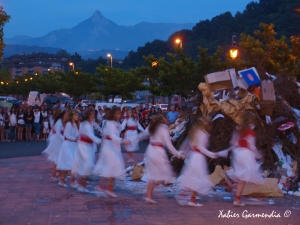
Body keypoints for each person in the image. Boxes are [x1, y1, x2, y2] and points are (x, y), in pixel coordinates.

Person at [128, 114, 181, 203]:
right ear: (162, 120)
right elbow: (169, 145)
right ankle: (180, 193)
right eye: (165, 118)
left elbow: (142, 135)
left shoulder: (151, 127)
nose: (166, 119)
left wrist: (131, 140)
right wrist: (178, 154)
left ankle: (149, 196)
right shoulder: (163, 129)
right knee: (166, 173)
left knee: (153, 174)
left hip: (150, 151)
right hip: (158, 152)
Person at [176, 116, 218, 207]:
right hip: (198, 158)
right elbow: (201, 148)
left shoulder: (194, 132)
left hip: (193, 156)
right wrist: (212, 154)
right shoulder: (203, 133)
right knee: (197, 179)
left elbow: (187, 144)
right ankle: (190, 198)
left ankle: (190, 198)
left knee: (194, 178)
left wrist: (183, 153)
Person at [224, 113, 264, 207]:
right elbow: (252, 147)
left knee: (242, 177)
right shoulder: (250, 132)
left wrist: (229, 151)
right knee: (245, 176)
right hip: (246, 154)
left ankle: (237, 198)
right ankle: (237, 199)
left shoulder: (238, 130)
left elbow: (233, 143)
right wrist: (259, 155)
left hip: (237, 154)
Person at [93, 107, 126, 197]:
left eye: (120, 114)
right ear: (113, 114)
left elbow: (119, 131)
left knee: (113, 168)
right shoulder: (110, 123)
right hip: (109, 148)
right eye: (117, 114)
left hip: (114, 147)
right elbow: (112, 136)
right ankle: (101, 186)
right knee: (109, 168)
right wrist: (122, 140)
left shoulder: (116, 122)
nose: (119, 116)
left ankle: (109, 189)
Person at [72, 109, 102, 193]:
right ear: (88, 116)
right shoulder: (85, 125)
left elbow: (99, 128)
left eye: (94, 115)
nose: (93, 117)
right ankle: (81, 182)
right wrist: (100, 141)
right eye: (92, 115)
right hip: (83, 145)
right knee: (89, 164)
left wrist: (103, 134)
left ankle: (81, 182)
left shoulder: (91, 123)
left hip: (89, 146)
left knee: (88, 164)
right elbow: (90, 135)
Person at [43, 110, 68, 181]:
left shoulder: (63, 121)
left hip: (59, 140)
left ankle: (58, 173)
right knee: (57, 156)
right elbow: (57, 133)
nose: (67, 116)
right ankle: (53, 175)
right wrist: (65, 139)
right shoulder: (59, 122)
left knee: (59, 156)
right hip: (57, 140)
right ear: (63, 115)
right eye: (66, 114)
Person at [56, 110, 80, 188]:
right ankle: (73, 181)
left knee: (67, 165)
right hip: (67, 145)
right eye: (75, 115)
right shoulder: (69, 124)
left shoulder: (75, 124)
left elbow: (76, 134)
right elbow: (66, 135)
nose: (77, 117)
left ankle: (61, 180)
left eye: (77, 115)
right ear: (72, 116)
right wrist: (74, 139)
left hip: (73, 145)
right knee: (71, 163)